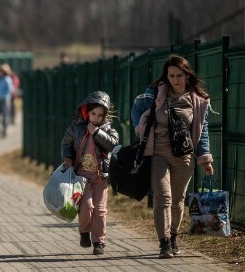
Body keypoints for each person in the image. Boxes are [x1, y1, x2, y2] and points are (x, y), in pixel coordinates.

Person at [131, 54, 214, 259]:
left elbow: (202, 131)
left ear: (187, 75)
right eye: (171, 75)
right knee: (162, 197)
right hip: (157, 153)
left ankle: (174, 236)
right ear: (165, 76)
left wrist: (205, 159)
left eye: (179, 75)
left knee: (178, 201)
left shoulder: (198, 100)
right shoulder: (153, 95)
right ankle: (164, 243)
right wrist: (140, 127)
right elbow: (136, 110)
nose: (175, 79)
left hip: (184, 157)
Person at [61, 91, 119, 255]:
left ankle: (99, 242)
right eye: (93, 113)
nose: (96, 118)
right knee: (86, 207)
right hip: (82, 178)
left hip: (101, 178)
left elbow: (113, 144)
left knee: (100, 210)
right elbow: (66, 142)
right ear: (87, 112)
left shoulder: (108, 130)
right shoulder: (76, 128)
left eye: (100, 115)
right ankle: (84, 231)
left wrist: (97, 132)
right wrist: (67, 159)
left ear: (105, 116)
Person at [0, 65, 14, 138]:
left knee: (5, 116)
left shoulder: (7, 79)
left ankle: (4, 131)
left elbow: (10, 90)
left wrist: (4, 95)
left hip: (4, 100)